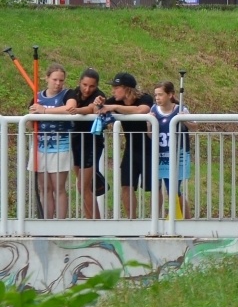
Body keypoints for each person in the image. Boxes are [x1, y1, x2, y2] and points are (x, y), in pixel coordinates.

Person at [99, 72, 154, 220]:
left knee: (154, 188)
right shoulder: (116, 101)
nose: (113, 91)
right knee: (126, 185)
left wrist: (114, 107)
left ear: (127, 89)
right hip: (131, 150)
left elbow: (141, 110)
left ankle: (156, 221)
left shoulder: (145, 98)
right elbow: (99, 108)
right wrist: (99, 103)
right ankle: (131, 221)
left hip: (150, 149)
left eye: (116, 88)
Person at [27, 64, 74, 219]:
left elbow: (70, 108)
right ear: (47, 78)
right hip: (40, 147)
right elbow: (29, 123)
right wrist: (33, 115)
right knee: (44, 188)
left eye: (61, 80)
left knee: (58, 187)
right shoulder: (37, 96)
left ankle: (60, 225)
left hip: (61, 146)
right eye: (54, 79)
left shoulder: (68, 94)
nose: (58, 83)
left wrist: (45, 111)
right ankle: (46, 222)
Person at [64, 68, 106, 220]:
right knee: (83, 187)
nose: (87, 89)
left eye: (92, 86)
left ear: (97, 86)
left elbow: (92, 109)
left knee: (83, 186)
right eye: (84, 85)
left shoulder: (99, 96)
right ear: (79, 82)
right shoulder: (73, 93)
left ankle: (96, 224)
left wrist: (76, 110)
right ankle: (91, 222)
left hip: (92, 142)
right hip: (76, 140)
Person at [150, 81, 191, 220]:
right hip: (160, 154)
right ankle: (160, 219)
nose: (157, 98)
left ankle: (183, 219)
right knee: (160, 188)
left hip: (177, 155)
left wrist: (184, 120)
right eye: (156, 95)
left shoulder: (180, 109)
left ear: (170, 95)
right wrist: (150, 123)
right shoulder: (154, 110)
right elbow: (150, 135)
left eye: (160, 95)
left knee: (173, 189)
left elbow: (195, 126)